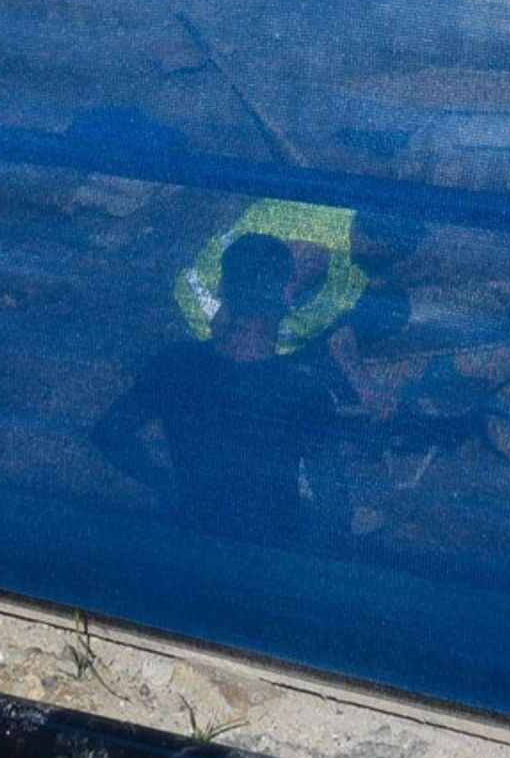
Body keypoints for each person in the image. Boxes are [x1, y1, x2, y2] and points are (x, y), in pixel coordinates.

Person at [100, 233, 346, 548]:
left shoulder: (177, 365)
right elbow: (334, 498)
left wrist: (165, 484)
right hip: (271, 551)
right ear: (285, 294)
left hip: (193, 538)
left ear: (224, 288)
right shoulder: (303, 391)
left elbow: (110, 434)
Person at [175, 199, 368, 355]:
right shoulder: (315, 319)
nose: (251, 338)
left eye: (237, 329)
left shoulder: (197, 291)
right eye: (263, 334)